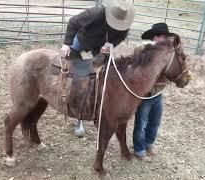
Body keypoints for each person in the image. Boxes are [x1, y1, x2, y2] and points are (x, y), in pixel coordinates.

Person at [60, 0, 135, 137]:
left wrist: (110, 44)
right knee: (77, 74)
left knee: (105, 75)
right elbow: (73, 22)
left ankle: (100, 106)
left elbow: (121, 36)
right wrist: (66, 44)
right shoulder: (96, 13)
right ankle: (78, 113)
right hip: (83, 39)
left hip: (101, 47)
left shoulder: (125, 23)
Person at [133, 23, 175, 160]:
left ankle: (148, 144)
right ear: (156, 37)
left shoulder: (166, 53)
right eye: (164, 37)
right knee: (141, 123)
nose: (167, 40)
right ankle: (139, 150)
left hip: (158, 93)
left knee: (155, 122)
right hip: (146, 94)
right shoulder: (142, 49)